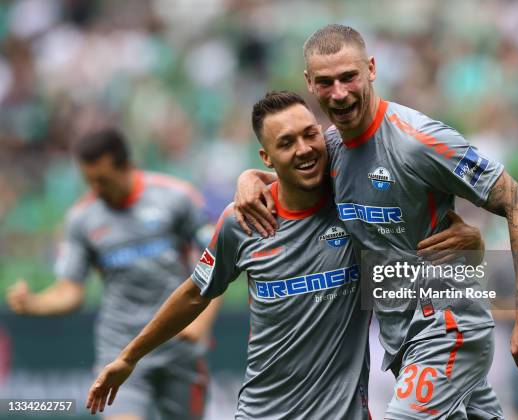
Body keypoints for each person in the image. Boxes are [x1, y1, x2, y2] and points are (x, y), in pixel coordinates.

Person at [86, 91, 486, 419]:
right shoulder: (242, 222)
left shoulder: (355, 205)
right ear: (266, 158)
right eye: (285, 143)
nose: (303, 149)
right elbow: (195, 293)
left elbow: (416, 259)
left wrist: (474, 246)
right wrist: (128, 357)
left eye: (309, 134)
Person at [235, 24, 518, 419]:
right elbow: (286, 177)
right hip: (403, 339)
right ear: (309, 84)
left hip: (448, 325)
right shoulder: (330, 149)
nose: (340, 92)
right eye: (326, 81)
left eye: (349, 77)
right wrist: (247, 179)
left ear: (371, 69)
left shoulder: (418, 141)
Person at [7, 128, 220, 420]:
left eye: (103, 180)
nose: (96, 188)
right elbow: (70, 291)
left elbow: (219, 260)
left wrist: (201, 324)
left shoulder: (176, 197)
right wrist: (34, 304)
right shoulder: (82, 219)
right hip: (119, 350)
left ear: (125, 166)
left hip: (178, 347)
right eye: (90, 181)